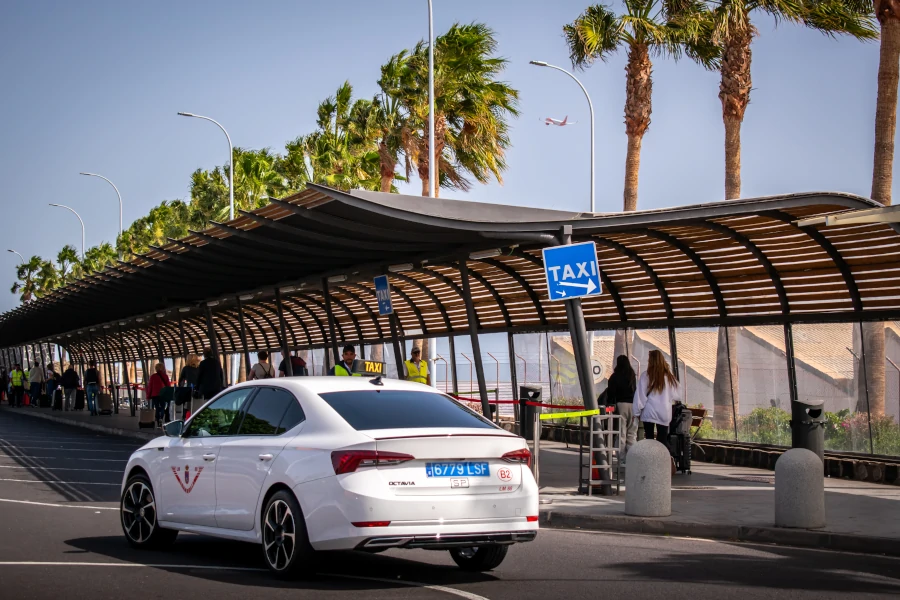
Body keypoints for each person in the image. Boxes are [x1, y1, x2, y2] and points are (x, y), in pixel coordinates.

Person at [635, 349, 681, 443]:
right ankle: (662, 457)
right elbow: (677, 395)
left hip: (649, 411)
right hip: (664, 412)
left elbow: (640, 396)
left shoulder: (646, 376)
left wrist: (636, 412)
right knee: (662, 440)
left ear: (651, 361)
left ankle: (651, 457)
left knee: (649, 439)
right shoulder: (669, 377)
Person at [607, 355, 637, 461]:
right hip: (633, 405)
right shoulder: (632, 375)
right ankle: (632, 458)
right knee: (632, 433)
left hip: (621, 405)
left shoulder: (615, 376)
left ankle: (622, 458)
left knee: (621, 432)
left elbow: (610, 392)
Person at [146, 362, 172, 427]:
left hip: (155, 395)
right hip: (163, 394)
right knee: (163, 407)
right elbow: (168, 386)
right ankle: (161, 418)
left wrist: (148, 396)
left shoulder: (153, 376)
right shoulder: (165, 376)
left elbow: (150, 387)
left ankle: (158, 421)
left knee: (157, 408)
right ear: (163, 368)